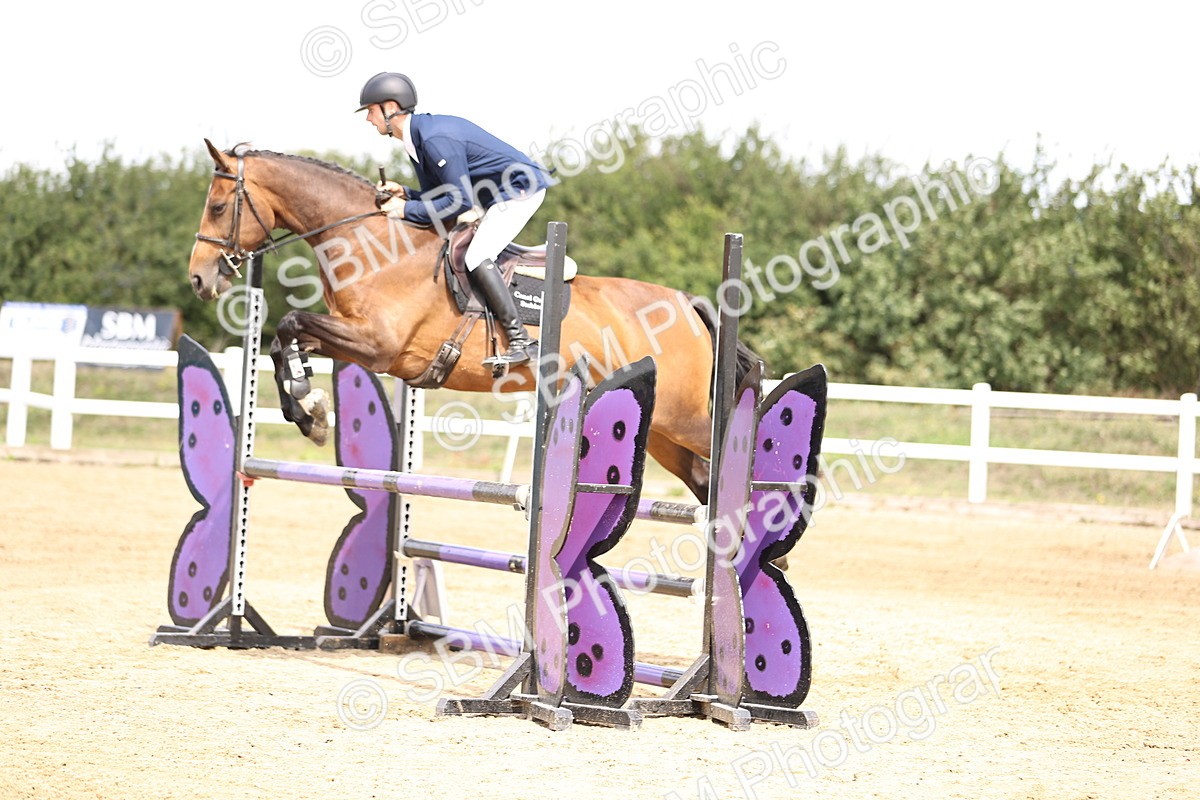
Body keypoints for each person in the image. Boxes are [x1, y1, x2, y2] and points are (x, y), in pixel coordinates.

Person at [358, 71, 552, 368]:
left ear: (391, 108)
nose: (368, 120)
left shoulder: (435, 139)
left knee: (477, 255)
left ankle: (521, 340)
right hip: (497, 195)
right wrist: (406, 193)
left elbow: (457, 202)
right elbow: (439, 195)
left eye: (371, 111)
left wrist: (403, 210)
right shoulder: (417, 139)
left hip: (520, 190)